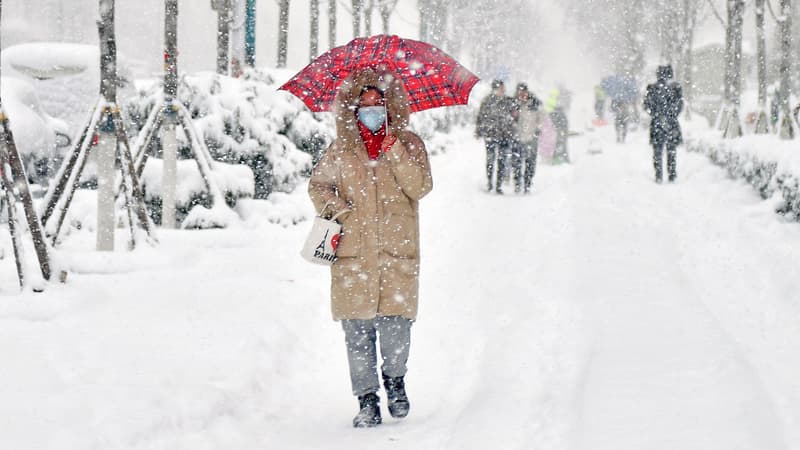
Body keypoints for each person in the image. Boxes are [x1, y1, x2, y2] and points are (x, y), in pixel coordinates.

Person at [308, 68, 433, 428]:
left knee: (397, 327)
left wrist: (394, 150)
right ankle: (367, 400)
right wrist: (341, 211)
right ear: (354, 109)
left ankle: (395, 382)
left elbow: (420, 187)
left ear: (390, 106)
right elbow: (318, 186)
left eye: (378, 104)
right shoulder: (341, 150)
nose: (372, 111)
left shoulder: (410, 144)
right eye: (364, 105)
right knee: (357, 332)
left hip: (396, 251)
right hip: (354, 255)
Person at [643, 65, 683, 183]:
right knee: (671, 150)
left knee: (657, 151)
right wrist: (672, 115)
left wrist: (656, 114)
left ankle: (658, 175)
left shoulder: (652, 88)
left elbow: (647, 106)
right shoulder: (676, 88)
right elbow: (679, 105)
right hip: (672, 123)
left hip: (657, 123)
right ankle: (672, 174)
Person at [476, 79, 515, 194]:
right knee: (490, 160)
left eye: (503, 88)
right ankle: (490, 183)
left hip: (504, 135)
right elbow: (480, 116)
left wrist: (511, 126)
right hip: (491, 135)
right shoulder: (487, 101)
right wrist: (479, 130)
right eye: (501, 88)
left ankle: (498, 185)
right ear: (495, 89)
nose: (503, 90)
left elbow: (514, 116)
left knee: (502, 161)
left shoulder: (508, 101)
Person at [511, 83, 544, 193]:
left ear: (527, 92)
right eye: (519, 93)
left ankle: (527, 183)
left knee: (530, 162)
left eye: (523, 92)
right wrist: (513, 119)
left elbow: (542, 117)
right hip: (518, 137)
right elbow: (509, 120)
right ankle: (517, 183)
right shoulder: (514, 104)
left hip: (531, 137)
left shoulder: (534, 103)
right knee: (516, 162)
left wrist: (538, 129)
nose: (522, 95)